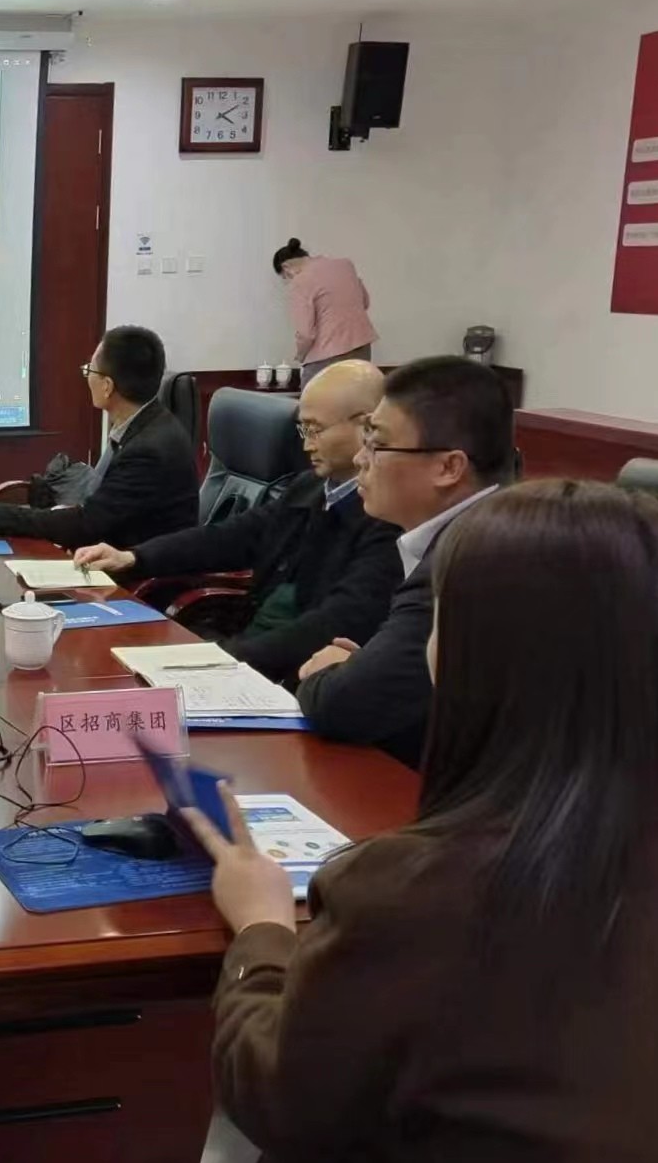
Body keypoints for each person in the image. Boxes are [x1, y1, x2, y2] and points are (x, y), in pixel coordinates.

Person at [183, 480, 658, 1163]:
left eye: (435, 617)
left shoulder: (415, 892)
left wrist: (260, 929)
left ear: (477, 654)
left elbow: (277, 1098)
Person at [72, 361, 399, 684]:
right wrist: (134, 557)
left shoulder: (389, 517)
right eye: (303, 430)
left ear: (366, 427)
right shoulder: (309, 488)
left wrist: (223, 661)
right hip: (248, 654)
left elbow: (333, 623)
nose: (306, 444)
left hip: (298, 676)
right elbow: (231, 536)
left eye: (315, 430)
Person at [295, 356, 514, 768]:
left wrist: (333, 673)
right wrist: (363, 669)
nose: (360, 459)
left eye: (377, 444)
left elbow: (344, 705)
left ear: (448, 467)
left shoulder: (470, 561)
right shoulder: (492, 526)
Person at [0, 325, 197, 550]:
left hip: (131, 578)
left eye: (90, 371)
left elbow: (87, 525)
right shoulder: (143, 426)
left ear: (107, 386)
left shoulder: (148, 450)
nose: (87, 377)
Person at [272, 238, 377, 384]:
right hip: (361, 348)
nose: (289, 280)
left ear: (286, 267)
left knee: (313, 397)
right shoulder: (345, 265)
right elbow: (365, 302)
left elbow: (306, 334)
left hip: (327, 356)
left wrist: (300, 355)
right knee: (357, 396)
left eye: (286, 277)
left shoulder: (301, 281)